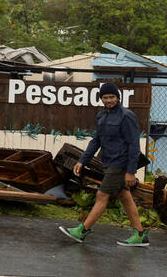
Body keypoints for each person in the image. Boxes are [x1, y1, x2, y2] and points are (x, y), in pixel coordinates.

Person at [59, 82, 149, 247]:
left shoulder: (126, 116)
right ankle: (140, 235)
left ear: (117, 97)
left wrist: (130, 171)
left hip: (120, 163)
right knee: (124, 196)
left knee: (102, 195)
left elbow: (134, 145)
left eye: (112, 97)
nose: (109, 100)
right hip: (108, 162)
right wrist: (82, 160)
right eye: (105, 97)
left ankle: (82, 231)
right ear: (101, 99)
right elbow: (96, 141)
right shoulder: (101, 116)